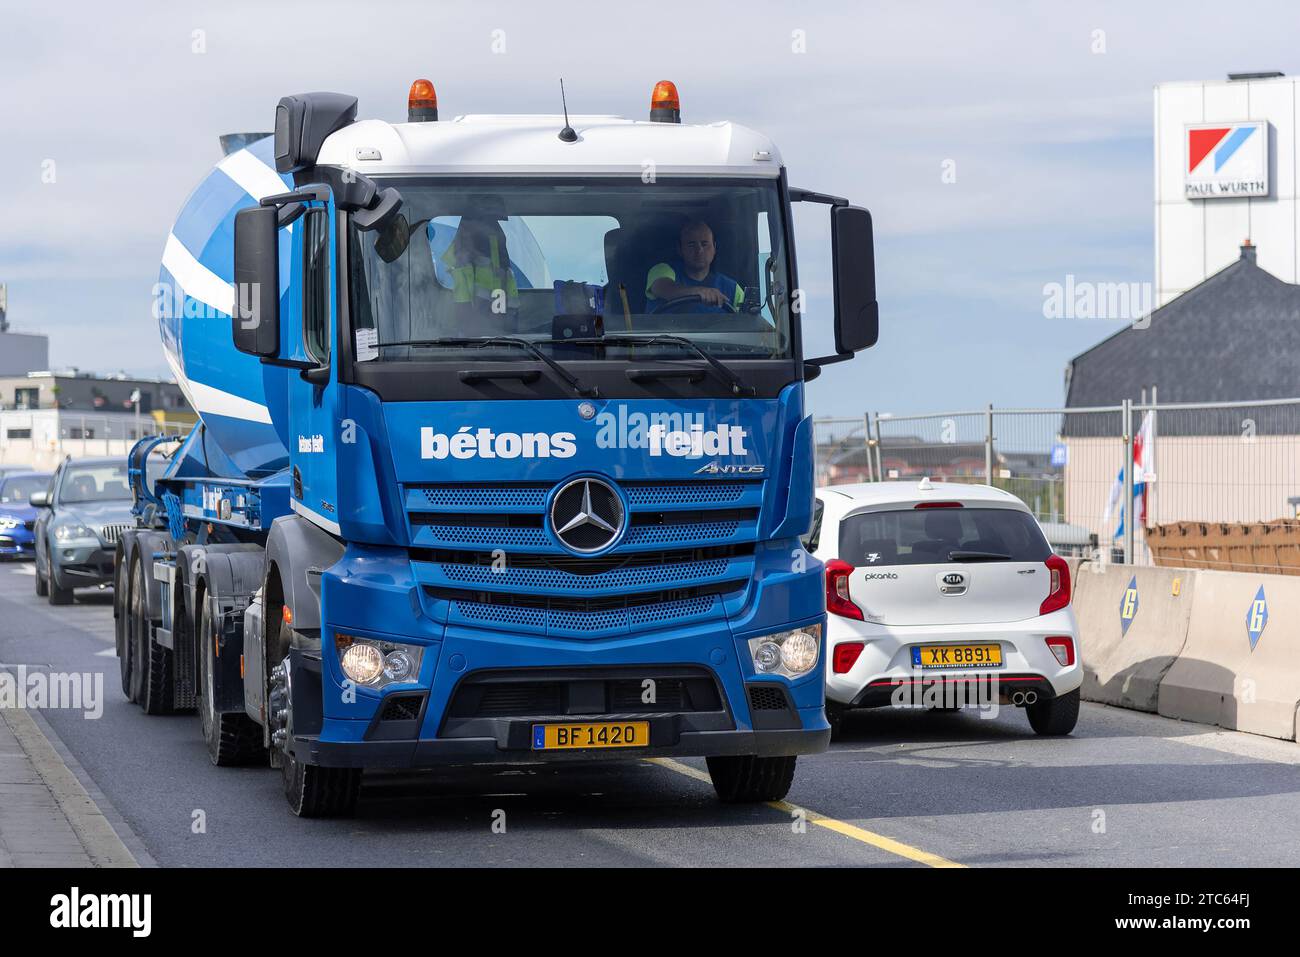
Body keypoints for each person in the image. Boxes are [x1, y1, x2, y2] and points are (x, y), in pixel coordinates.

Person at [645, 221, 745, 313]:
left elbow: (747, 323)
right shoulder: (662, 270)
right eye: (691, 245)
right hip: (664, 332)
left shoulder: (733, 289)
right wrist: (699, 291)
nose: (699, 251)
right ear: (680, 249)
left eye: (704, 244)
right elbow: (664, 288)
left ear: (714, 248)